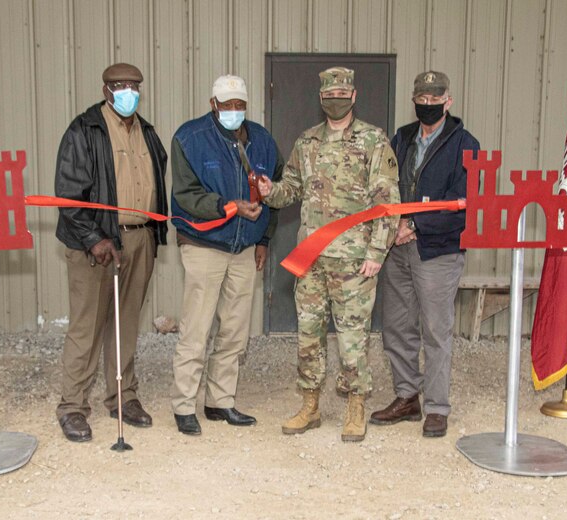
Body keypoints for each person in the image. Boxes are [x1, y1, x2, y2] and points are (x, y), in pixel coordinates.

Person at [258, 67, 399, 442]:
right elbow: (290, 189)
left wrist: (376, 252)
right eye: (328, 96)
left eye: (341, 95)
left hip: (354, 261)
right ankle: (310, 405)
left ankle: (356, 405)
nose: (335, 101)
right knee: (308, 335)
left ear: (353, 97)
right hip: (311, 259)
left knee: (352, 337)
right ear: (321, 100)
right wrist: (268, 190)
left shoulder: (373, 140)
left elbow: (387, 201)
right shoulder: (306, 142)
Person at [53, 63, 168, 442]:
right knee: (87, 326)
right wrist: (93, 238)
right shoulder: (84, 130)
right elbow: (68, 195)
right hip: (97, 244)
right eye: (120, 86)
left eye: (134, 86)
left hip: (140, 238)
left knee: (126, 323)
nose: (128, 92)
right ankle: (72, 406)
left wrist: (155, 231)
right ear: (106, 90)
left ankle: (123, 396)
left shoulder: (147, 132)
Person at [170, 75, 284, 436]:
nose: (234, 111)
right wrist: (226, 205)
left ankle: (220, 401)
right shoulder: (189, 139)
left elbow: (276, 193)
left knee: (235, 330)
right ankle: (184, 405)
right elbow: (185, 196)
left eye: (240, 105)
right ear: (212, 104)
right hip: (205, 246)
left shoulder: (262, 141)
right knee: (197, 328)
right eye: (227, 104)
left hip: (244, 248)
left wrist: (263, 239)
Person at [369, 71, 479, 438]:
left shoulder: (466, 144)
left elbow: (464, 203)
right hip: (397, 249)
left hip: (438, 249)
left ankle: (436, 407)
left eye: (435, 99)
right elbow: (385, 188)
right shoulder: (400, 139)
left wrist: (413, 225)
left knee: (435, 329)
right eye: (422, 99)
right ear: (414, 100)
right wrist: (393, 228)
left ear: (449, 101)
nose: (428, 105)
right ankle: (406, 396)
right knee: (396, 327)